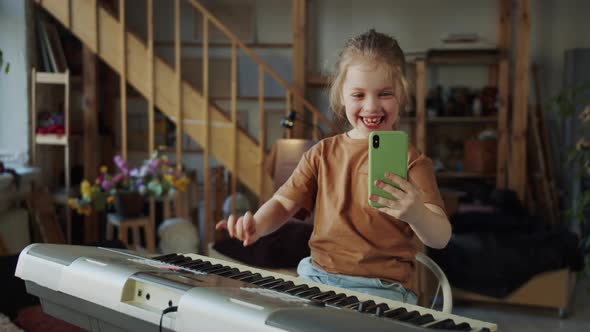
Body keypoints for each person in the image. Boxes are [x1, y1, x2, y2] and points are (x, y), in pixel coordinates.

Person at [216, 29, 451, 304]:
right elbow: (282, 204)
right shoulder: (322, 154)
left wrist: (417, 214)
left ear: (402, 93)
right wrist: (256, 224)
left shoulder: (413, 162)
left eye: (385, 93)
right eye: (359, 94)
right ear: (341, 95)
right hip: (318, 279)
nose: (372, 106)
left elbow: (441, 237)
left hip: (383, 290)